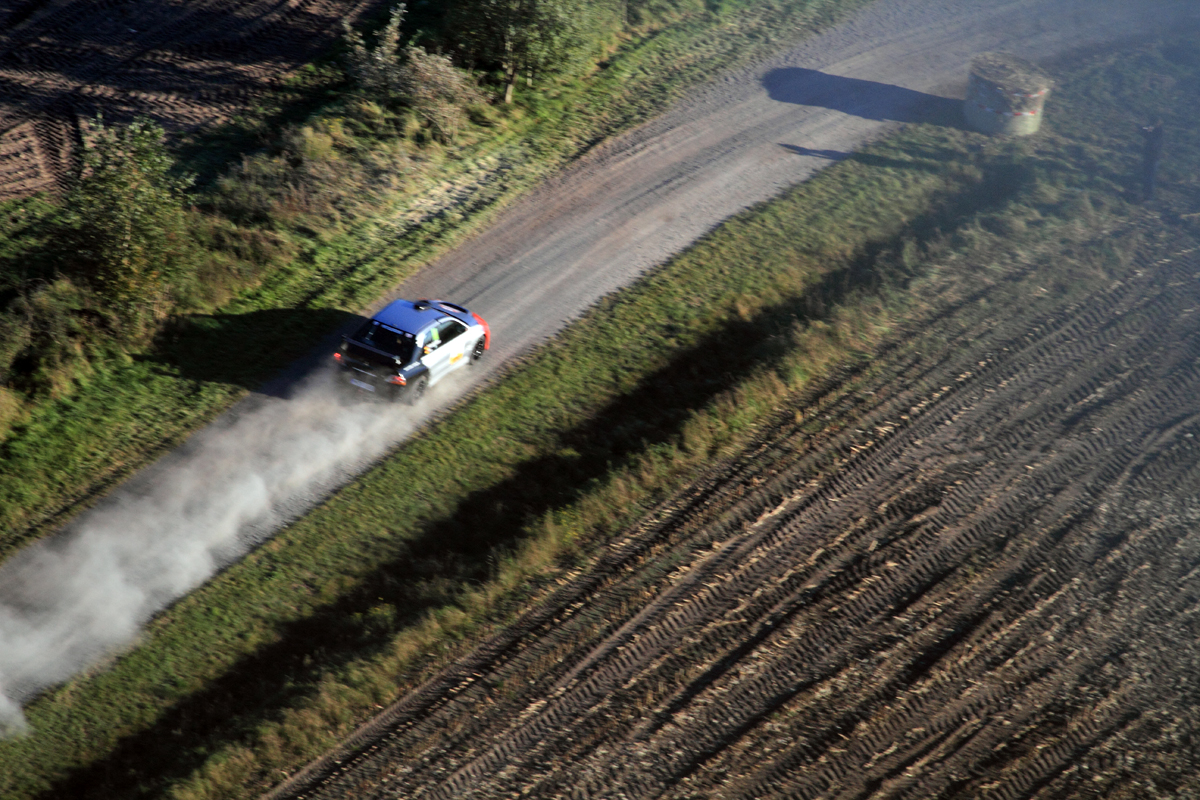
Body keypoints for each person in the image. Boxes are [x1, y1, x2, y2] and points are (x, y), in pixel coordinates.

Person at [1140, 119, 1165, 201]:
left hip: (1153, 157)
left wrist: (1147, 132)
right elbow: (1145, 132)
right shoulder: (1153, 130)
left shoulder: (1158, 132)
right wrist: (1143, 128)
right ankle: (1146, 194)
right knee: (1147, 175)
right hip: (1149, 156)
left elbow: (1153, 143)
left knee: (1150, 176)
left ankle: (1148, 196)